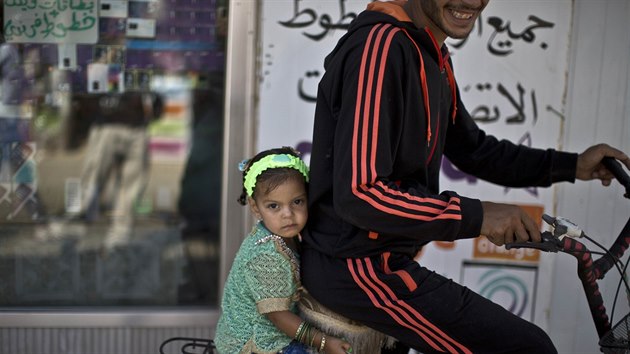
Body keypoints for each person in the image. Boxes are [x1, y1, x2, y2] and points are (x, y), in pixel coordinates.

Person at [302, 1, 630, 353]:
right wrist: (478, 216)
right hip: (356, 268)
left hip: (385, 260)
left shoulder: (432, 53)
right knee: (528, 348)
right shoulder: (380, 47)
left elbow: (474, 150)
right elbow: (360, 193)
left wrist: (573, 165)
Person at [214, 146, 352, 354]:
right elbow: (278, 316)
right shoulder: (265, 255)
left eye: (297, 202)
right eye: (274, 206)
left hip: (278, 334)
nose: (288, 214)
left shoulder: (287, 236)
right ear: (254, 207)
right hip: (256, 345)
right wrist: (324, 341)